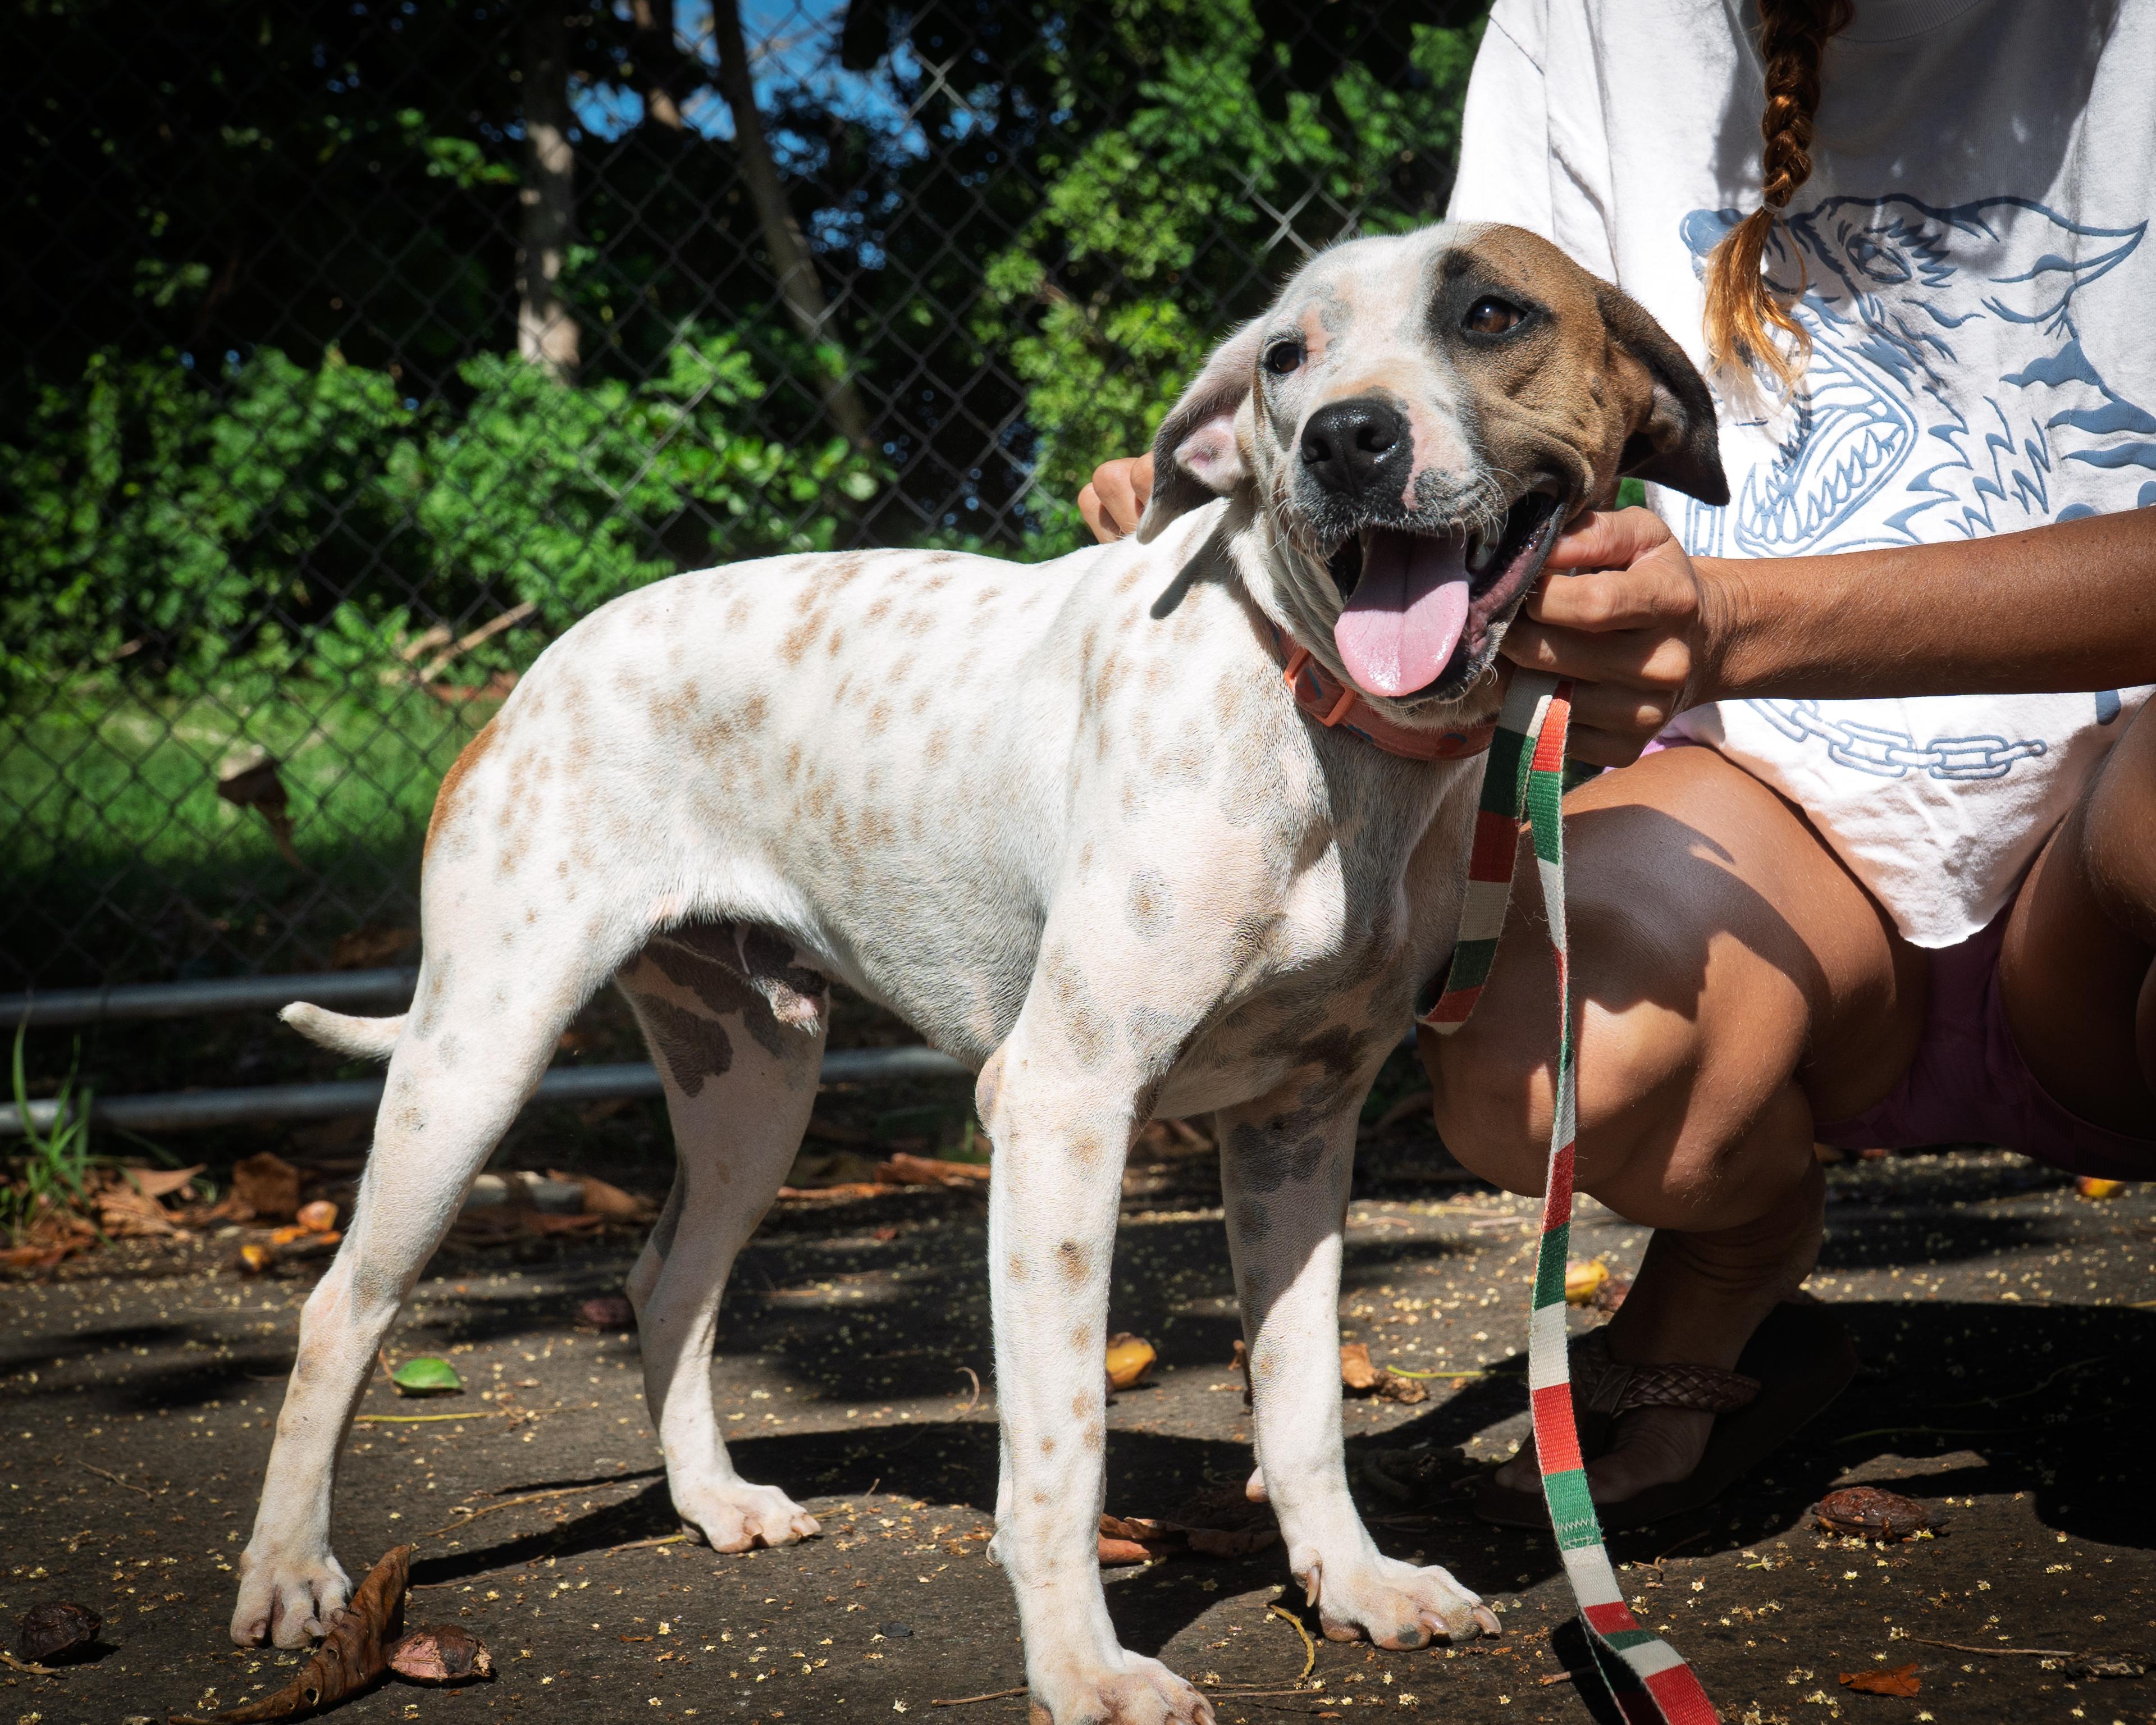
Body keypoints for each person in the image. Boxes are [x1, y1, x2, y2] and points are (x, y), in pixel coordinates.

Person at [1080, 0, 2156, 1516]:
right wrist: (1252, 544)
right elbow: (1441, 418)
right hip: (1772, 830)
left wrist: (1731, 619)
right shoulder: (1590, 21)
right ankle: (1733, 1261)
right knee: (1525, 1064)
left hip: (2109, 839)